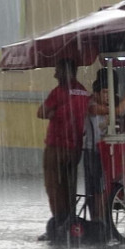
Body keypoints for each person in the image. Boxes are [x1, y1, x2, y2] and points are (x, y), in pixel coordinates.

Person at [36, 59, 90, 239]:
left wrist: (53, 113)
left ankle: (59, 223)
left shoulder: (58, 92)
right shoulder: (83, 91)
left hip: (56, 147)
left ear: (66, 72)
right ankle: (69, 222)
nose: (54, 75)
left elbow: (41, 112)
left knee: (53, 187)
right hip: (75, 148)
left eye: (57, 71)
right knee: (69, 186)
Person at [82, 76, 111, 223]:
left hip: (103, 151)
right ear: (96, 93)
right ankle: (98, 221)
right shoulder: (91, 105)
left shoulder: (106, 106)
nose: (108, 96)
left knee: (101, 188)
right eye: (105, 92)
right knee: (97, 189)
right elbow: (117, 111)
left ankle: (100, 220)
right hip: (92, 152)